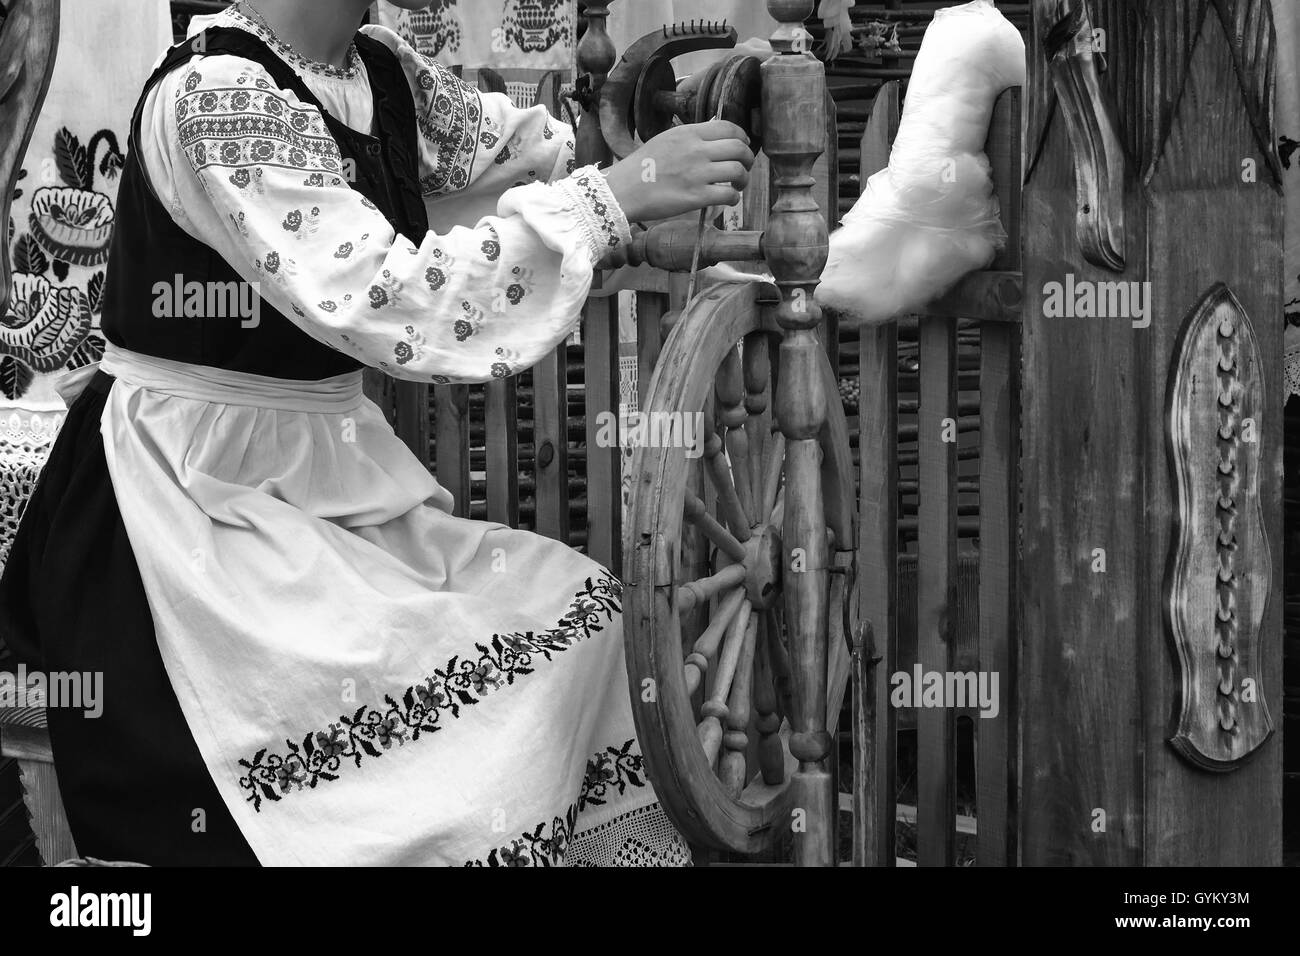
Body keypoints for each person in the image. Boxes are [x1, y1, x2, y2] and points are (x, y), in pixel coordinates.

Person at [0, 0, 753, 866]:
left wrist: (657, 128)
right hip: (188, 516)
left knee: (585, 622)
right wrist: (614, 198)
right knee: (400, 786)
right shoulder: (217, 95)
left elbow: (543, 156)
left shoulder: (383, 75)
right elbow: (386, 292)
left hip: (332, 488)